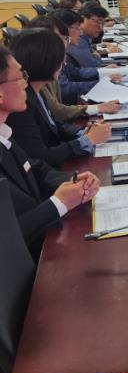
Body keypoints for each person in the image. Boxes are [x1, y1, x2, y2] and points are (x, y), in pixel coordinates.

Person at [0, 45, 99, 259]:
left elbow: (34, 167)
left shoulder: (4, 133)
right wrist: (59, 203)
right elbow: (7, 236)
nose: (25, 83)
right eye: (20, 77)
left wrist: (73, 182)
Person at [6, 29, 111, 166]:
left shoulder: (37, 90)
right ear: (46, 62)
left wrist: (84, 132)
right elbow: (41, 157)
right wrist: (88, 140)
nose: (64, 61)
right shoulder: (21, 104)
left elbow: (55, 126)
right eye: (61, 57)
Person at [27, 14, 120, 120]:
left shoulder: (53, 58)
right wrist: (98, 106)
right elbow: (60, 102)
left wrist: (103, 74)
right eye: (63, 38)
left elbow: (75, 72)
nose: (80, 33)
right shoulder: (39, 69)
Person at [65, 4, 111, 68]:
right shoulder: (78, 40)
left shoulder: (85, 38)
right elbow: (92, 65)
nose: (100, 27)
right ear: (83, 19)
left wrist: (96, 52)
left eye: (103, 23)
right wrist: (97, 56)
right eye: (97, 22)